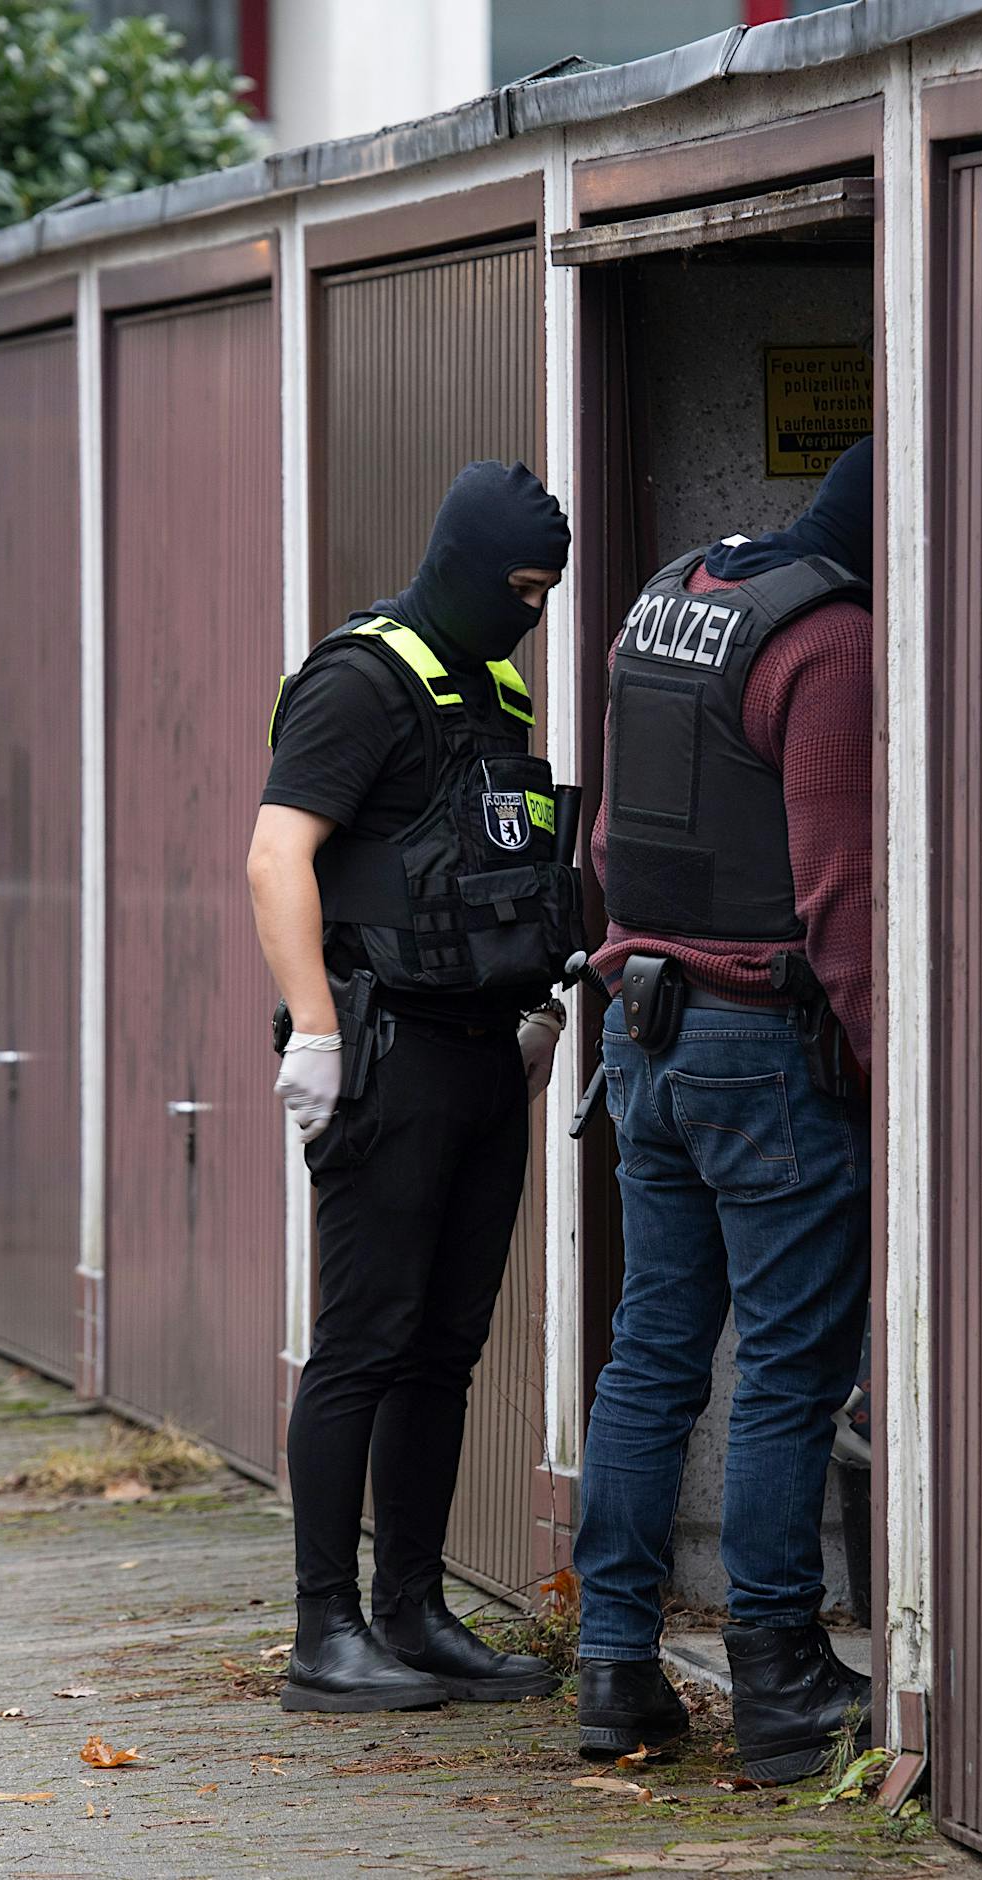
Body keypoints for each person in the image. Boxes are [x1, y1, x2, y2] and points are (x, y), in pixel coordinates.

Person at [248, 460, 576, 1714]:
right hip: (385, 1050)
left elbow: (512, 861)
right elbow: (276, 854)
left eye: (543, 592)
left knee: (444, 1347)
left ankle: (413, 1610)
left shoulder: (488, 684)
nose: (529, 611)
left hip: (484, 1047)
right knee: (364, 1343)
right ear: (462, 566)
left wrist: (536, 1009)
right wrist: (317, 1034)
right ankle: (323, 1630)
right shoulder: (357, 680)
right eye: (518, 586)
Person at [573, 438, 876, 1784]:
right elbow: (843, 892)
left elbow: (609, 839)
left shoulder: (675, 593)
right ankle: (780, 1686)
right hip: (763, 1047)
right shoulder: (833, 642)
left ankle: (615, 1674)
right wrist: (888, 1079)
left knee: (651, 1356)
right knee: (790, 1373)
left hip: (643, 1025)